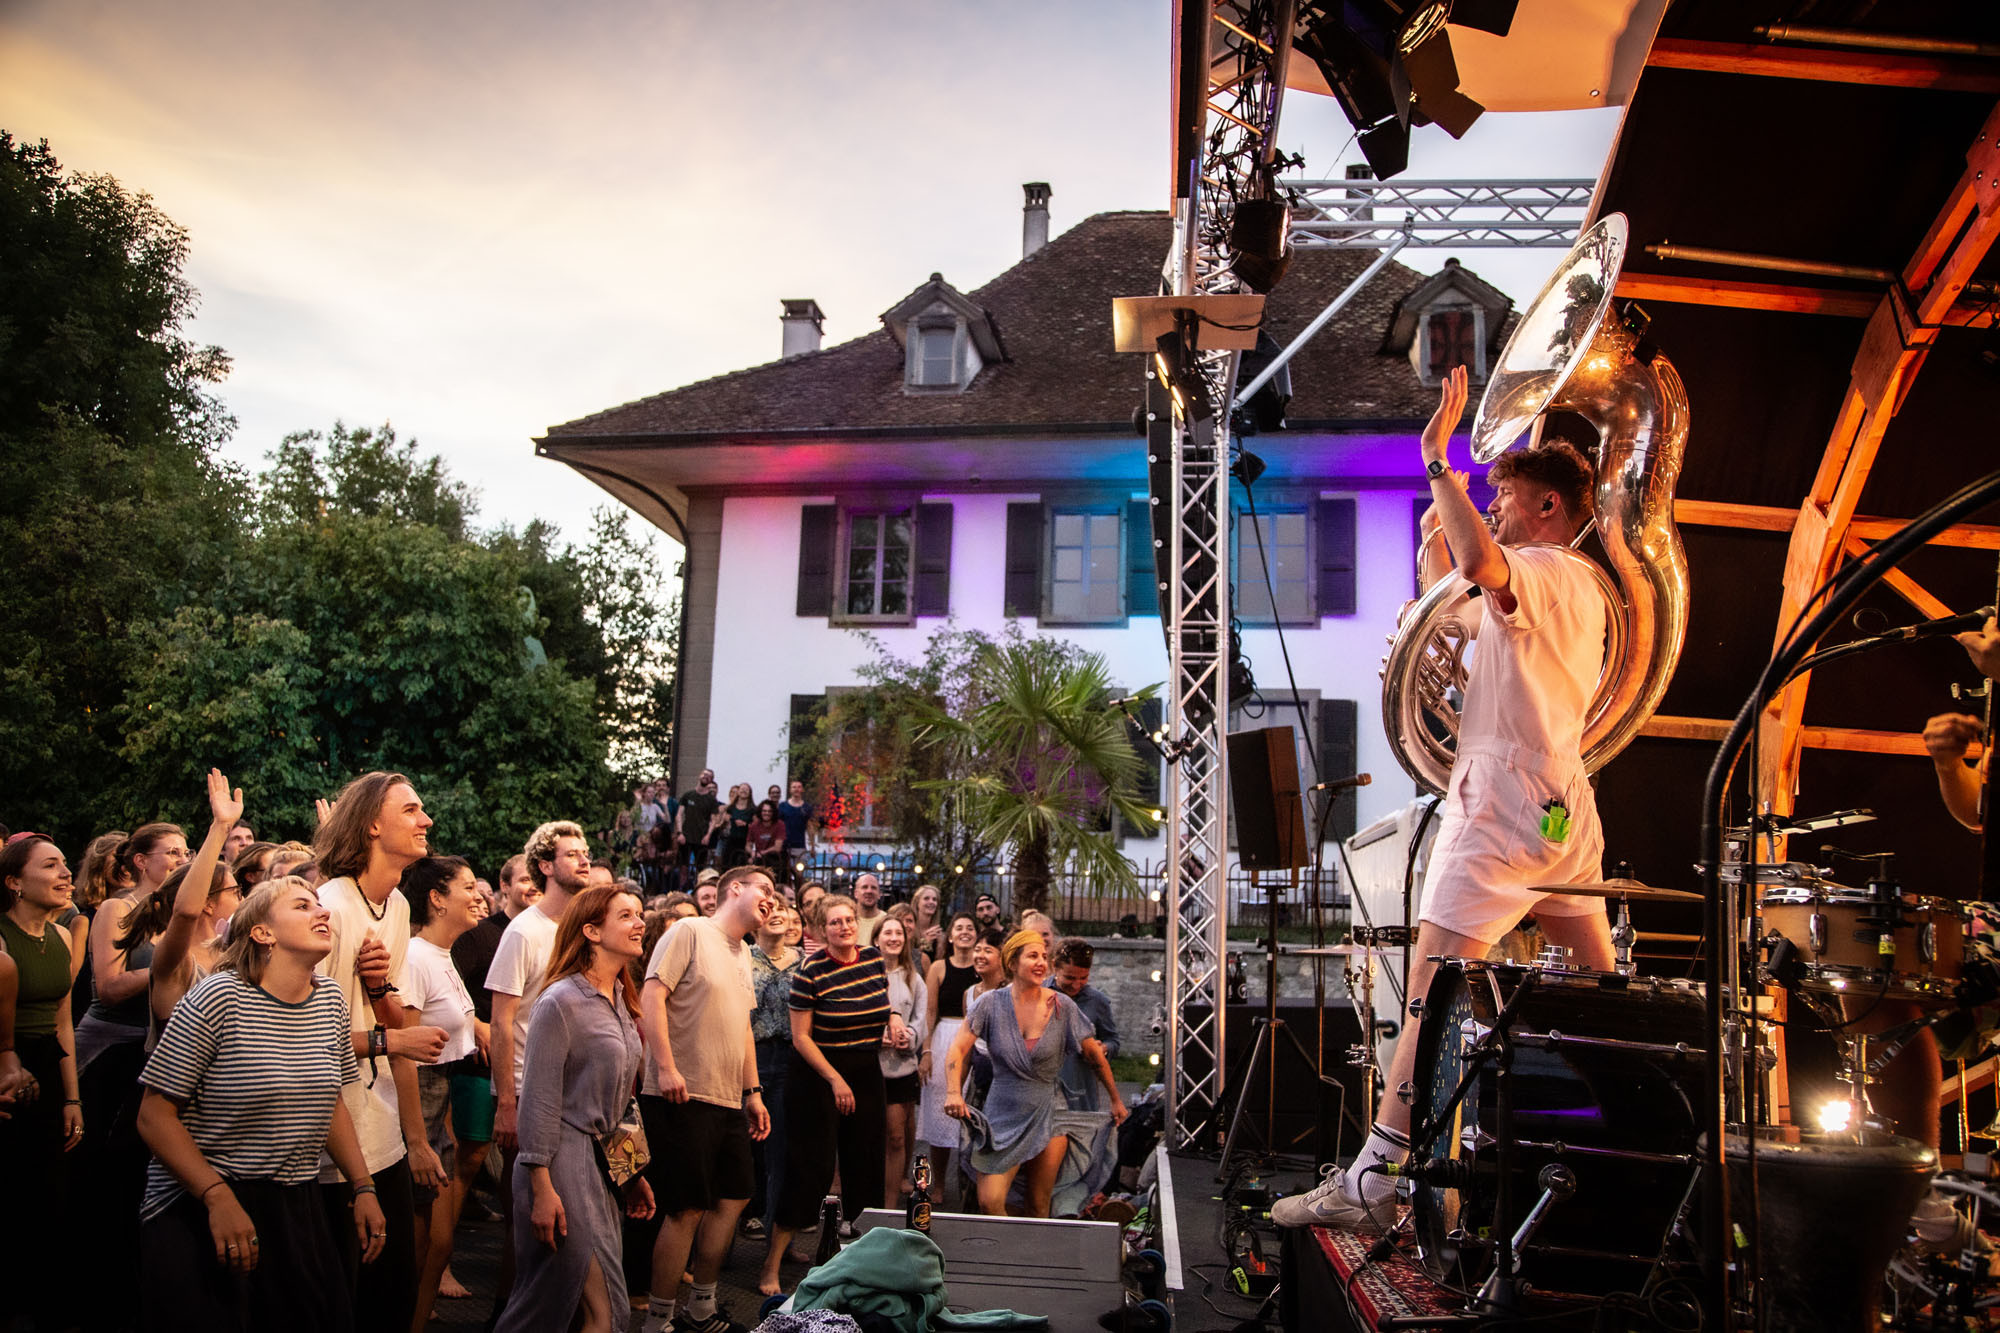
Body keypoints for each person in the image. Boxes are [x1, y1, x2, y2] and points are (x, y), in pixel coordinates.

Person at [1273, 365, 1611, 1229]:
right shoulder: (1571, 587)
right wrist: (1437, 559)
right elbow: (1457, 621)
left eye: (1506, 499)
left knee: (1425, 995)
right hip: (1558, 807)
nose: (1494, 508)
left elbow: (1484, 566)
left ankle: (1375, 1176)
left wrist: (1437, 461)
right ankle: (1626, 1154)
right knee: (1601, 995)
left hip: (1500, 808)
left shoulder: (1546, 568)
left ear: (1548, 508)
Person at [135, 879, 386, 1333]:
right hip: (202, 1199)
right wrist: (217, 1197)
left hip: (293, 1199)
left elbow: (328, 1104)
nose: (322, 912)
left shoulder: (329, 999)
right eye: (302, 905)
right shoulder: (219, 997)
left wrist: (363, 1186)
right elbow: (153, 1116)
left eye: (320, 905)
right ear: (262, 932)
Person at [312, 773, 451, 1332]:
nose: (426, 820)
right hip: (329, 1145)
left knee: (391, 1298)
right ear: (372, 824)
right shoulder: (329, 908)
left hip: (381, 1129)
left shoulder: (393, 905)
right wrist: (395, 1040)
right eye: (411, 809)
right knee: (342, 1307)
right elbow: (300, 1042)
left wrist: (377, 992)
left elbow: (389, 1014)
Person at [495, 886, 655, 1333]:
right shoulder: (559, 1001)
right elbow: (539, 1100)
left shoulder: (621, 999)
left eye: (640, 913)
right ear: (591, 931)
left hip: (600, 1166)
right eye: (626, 915)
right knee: (589, 1308)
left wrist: (631, 1173)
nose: (639, 923)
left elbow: (621, 1101)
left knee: (587, 1307)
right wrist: (541, 1187)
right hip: (560, 1162)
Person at [638, 866, 774, 1333]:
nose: (772, 900)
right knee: (686, 1208)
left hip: (727, 1098)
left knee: (734, 1196)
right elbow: (652, 996)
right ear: (734, 889)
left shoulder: (744, 952)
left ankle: (701, 1307)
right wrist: (664, 1066)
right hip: (683, 1092)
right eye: (764, 889)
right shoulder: (690, 931)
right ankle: (657, 1320)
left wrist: (752, 1092)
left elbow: (743, 1027)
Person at [943, 931, 1126, 1218]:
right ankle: (1005, 1244)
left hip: (1050, 1111)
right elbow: (958, 1049)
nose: (1041, 962)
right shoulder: (989, 1003)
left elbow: (1094, 1054)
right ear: (1012, 963)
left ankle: (1029, 1248)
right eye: (1032, 956)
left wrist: (1115, 1099)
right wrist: (954, 1092)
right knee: (990, 1201)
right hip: (1002, 1113)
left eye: (1043, 956)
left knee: (1038, 1205)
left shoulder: (1062, 1006)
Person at [759, 894, 889, 1296]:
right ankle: (771, 1266)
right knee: (809, 1169)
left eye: (849, 920)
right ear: (820, 929)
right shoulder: (811, 970)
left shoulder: (873, 959)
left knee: (866, 1165)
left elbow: (882, 1007)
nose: (844, 927)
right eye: (835, 922)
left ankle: (865, 1265)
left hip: (866, 1071)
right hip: (817, 1074)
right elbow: (801, 1038)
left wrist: (896, 1022)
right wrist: (835, 1080)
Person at [488, 820, 590, 1320]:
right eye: (572, 854)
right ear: (545, 866)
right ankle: (508, 1317)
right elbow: (501, 1022)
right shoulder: (523, 932)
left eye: (585, 851)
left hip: (577, 1096)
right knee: (528, 1221)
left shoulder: (584, 929)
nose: (584, 859)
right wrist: (507, 1103)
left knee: (571, 1220)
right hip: (529, 1094)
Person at [398, 856, 485, 1333]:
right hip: (414, 1107)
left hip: (439, 1102)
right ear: (436, 898)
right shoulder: (415, 957)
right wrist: (417, 1140)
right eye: (467, 887)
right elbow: (404, 1052)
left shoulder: (442, 953)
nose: (479, 895)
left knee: (439, 1245)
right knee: (418, 1248)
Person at [0, 834, 84, 1329]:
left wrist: (73, 1097)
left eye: (65, 864)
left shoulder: (62, 937)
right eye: (50, 865)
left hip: (49, 1068)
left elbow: (64, 1021)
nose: (66, 873)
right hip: (8, 1071)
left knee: (50, 1196)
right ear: (14, 882)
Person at [746, 902, 802, 1241]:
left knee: (782, 1149)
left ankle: (778, 1237)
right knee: (747, 1147)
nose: (778, 913)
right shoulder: (742, 958)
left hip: (791, 1057)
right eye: (770, 909)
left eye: (782, 909)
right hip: (751, 1055)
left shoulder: (803, 962)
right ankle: (741, 1223)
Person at [917, 913, 980, 1207]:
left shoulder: (983, 967)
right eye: (959, 928)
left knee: (972, 1111)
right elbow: (929, 1012)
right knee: (941, 1115)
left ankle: (972, 1185)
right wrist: (927, 1050)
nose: (965, 932)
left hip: (975, 1040)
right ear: (951, 936)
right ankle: (939, 1183)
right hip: (944, 1040)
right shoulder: (939, 967)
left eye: (970, 928)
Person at [874, 914, 929, 1209]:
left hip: (901, 1068)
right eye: (888, 933)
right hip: (871, 1066)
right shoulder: (867, 975)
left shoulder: (912, 977)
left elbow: (921, 1018)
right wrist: (874, 1036)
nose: (894, 938)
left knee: (897, 1137)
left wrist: (910, 1037)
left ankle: (889, 1203)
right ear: (876, 939)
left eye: (899, 933)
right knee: (871, 1136)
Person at [676, 770, 722, 876]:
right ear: (699, 776)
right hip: (686, 836)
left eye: (709, 776)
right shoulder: (688, 795)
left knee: (700, 867)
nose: (706, 776)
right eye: (704, 774)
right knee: (683, 866)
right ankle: (682, 885)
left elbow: (713, 820)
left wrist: (708, 835)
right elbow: (679, 815)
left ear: (711, 780)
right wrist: (680, 833)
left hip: (701, 838)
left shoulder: (711, 800)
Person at [777, 780, 814, 880]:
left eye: (799, 787)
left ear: (802, 789)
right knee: (784, 873)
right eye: (794, 787)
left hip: (799, 846)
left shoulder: (807, 807)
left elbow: (810, 827)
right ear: (790, 790)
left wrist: (812, 846)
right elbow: (778, 826)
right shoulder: (782, 806)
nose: (796, 789)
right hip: (784, 845)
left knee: (799, 874)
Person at [746, 800, 788, 877]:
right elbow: (748, 845)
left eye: (769, 811)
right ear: (760, 812)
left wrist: (762, 853)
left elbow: (777, 847)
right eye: (764, 811)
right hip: (759, 860)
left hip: (775, 859)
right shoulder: (754, 826)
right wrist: (752, 853)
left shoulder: (780, 824)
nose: (767, 813)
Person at [909, 884, 944, 962]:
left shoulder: (938, 933)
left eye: (934, 899)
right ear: (917, 902)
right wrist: (926, 943)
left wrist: (941, 946)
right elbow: (908, 960)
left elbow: (940, 962)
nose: (931, 902)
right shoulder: (909, 929)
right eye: (926, 898)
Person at [852, 873, 885, 945]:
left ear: (879, 894)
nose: (869, 891)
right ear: (856, 893)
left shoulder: (886, 921)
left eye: (873, 888)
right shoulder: (847, 920)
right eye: (864, 887)